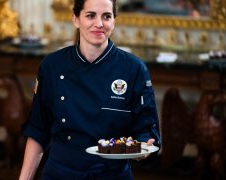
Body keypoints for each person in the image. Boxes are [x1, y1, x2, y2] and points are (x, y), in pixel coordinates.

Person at [19, 0, 161, 179]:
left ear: (114, 21)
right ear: (75, 19)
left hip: (111, 175)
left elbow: (147, 131)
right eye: (90, 15)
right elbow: (38, 131)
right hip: (60, 173)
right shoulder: (52, 66)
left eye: (107, 16)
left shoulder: (134, 69)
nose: (99, 24)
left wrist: (143, 148)